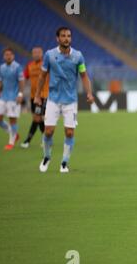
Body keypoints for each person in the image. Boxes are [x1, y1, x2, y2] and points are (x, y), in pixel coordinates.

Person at [34, 26, 95, 173]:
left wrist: (89, 93)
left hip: (70, 101)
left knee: (69, 133)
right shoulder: (49, 55)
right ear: (58, 38)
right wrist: (37, 95)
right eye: (63, 36)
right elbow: (42, 76)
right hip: (53, 99)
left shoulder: (78, 56)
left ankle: (64, 163)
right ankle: (47, 157)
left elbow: (84, 76)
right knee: (48, 132)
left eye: (68, 36)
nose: (66, 38)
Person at [20, 47, 50, 148]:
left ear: (42, 54)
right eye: (34, 52)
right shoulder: (29, 66)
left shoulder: (46, 64)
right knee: (38, 118)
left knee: (37, 118)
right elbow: (23, 78)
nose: (36, 54)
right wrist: (21, 92)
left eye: (38, 52)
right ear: (32, 54)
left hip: (43, 95)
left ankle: (27, 141)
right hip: (33, 96)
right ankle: (46, 138)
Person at [0, 47, 24, 150]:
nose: (8, 56)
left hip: (13, 98)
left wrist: (20, 94)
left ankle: (11, 142)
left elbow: (21, 82)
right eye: (6, 55)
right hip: (3, 97)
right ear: (4, 56)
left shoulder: (18, 67)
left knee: (12, 120)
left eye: (10, 55)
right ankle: (14, 134)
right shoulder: (2, 67)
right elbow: (0, 82)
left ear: (13, 56)